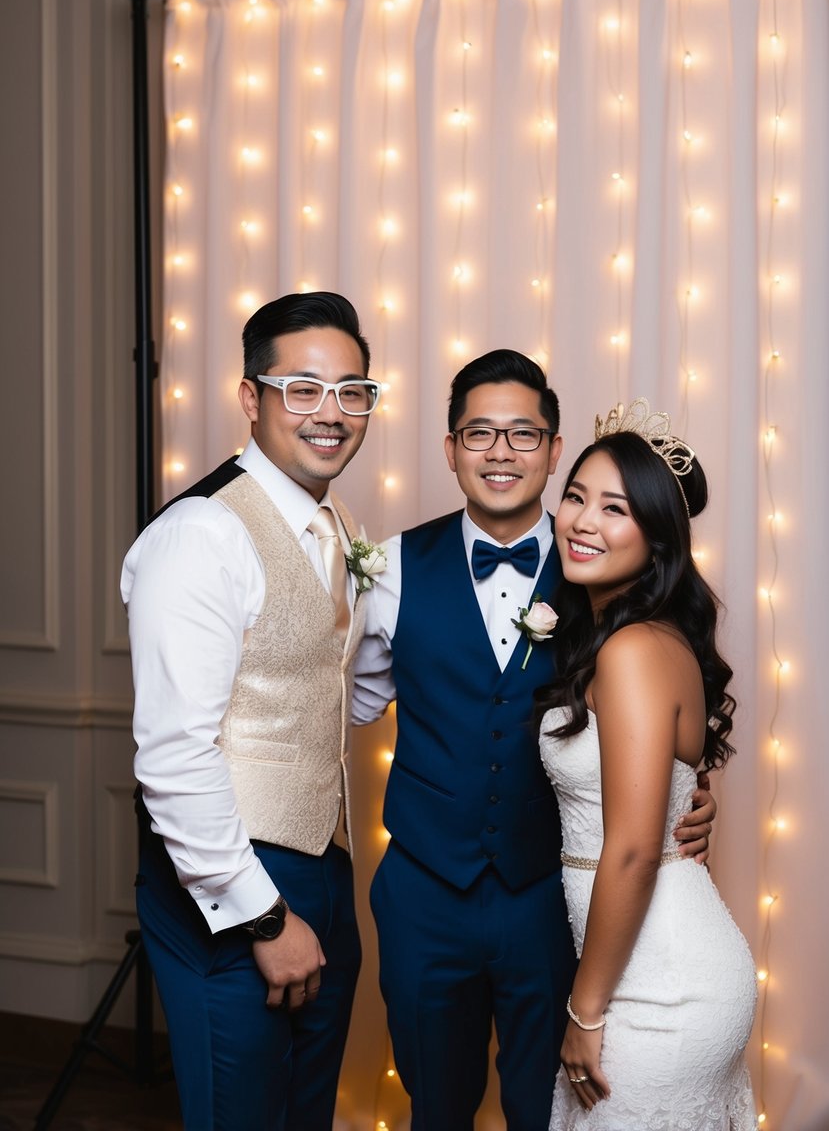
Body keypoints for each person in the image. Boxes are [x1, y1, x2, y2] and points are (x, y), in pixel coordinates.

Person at [353, 353, 717, 1131]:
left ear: (554, 451)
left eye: (524, 433)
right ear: (449, 449)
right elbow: (337, 705)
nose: (501, 451)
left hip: (549, 903)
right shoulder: (385, 569)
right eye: (478, 432)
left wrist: (687, 796)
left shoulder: (601, 573)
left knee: (549, 1109)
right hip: (423, 894)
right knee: (434, 1107)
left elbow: (657, 720)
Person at [121, 292, 381, 1130]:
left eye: (352, 391)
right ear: (250, 398)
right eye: (302, 388)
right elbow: (173, 757)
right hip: (230, 885)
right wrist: (263, 914)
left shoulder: (338, 527)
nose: (331, 413)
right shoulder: (202, 533)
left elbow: (350, 685)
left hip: (325, 867)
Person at [537, 400, 757, 1129]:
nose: (581, 521)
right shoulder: (643, 639)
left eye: (614, 509)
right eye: (574, 498)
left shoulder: (630, 652)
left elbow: (631, 848)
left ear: (657, 540)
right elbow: (666, 796)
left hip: (656, 985)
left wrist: (584, 1009)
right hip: (657, 962)